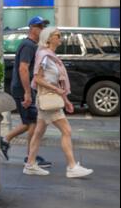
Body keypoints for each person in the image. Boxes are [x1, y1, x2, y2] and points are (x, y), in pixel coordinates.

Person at [23, 28, 94, 178]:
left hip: (49, 99)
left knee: (38, 133)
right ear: (48, 39)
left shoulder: (51, 56)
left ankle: (30, 164)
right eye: (58, 36)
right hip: (48, 99)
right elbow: (37, 78)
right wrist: (57, 90)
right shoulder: (44, 55)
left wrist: (66, 100)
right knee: (66, 131)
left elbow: (57, 82)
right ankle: (72, 167)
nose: (60, 38)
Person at [0, 16, 52, 168]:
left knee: (29, 122)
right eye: (40, 26)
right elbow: (23, 69)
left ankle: (5, 140)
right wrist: (28, 93)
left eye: (44, 27)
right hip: (23, 89)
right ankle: (30, 157)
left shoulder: (32, 45)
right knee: (33, 123)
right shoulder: (28, 45)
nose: (42, 29)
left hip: (24, 89)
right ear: (32, 28)